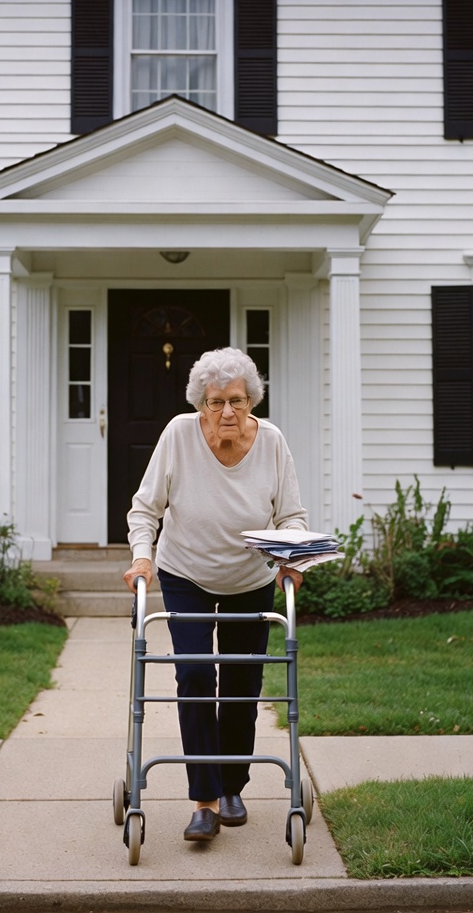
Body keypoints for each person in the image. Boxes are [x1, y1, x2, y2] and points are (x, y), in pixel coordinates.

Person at [123, 346, 306, 843]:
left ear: (252, 400)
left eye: (238, 401)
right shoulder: (179, 435)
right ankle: (204, 800)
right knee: (198, 673)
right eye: (216, 402)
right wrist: (142, 557)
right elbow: (145, 510)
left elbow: (291, 517)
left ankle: (232, 786)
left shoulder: (270, 441)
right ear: (199, 403)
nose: (227, 412)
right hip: (186, 571)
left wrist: (292, 558)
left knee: (244, 683)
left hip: (252, 577)